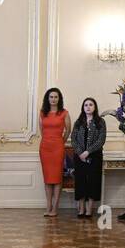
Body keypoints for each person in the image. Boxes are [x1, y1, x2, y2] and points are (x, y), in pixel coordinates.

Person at [71, 97, 105, 219]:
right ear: (83, 107)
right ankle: (81, 209)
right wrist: (80, 153)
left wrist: (88, 152)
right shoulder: (78, 122)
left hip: (95, 157)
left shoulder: (100, 122)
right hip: (79, 157)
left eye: (91, 105)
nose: (88, 107)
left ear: (94, 107)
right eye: (86, 105)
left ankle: (89, 210)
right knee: (80, 182)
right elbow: (73, 140)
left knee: (92, 182)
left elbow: (101, 140)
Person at [38, 87, 70, 217]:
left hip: (58, 147)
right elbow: (42, 130)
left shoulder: (64, 113)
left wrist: (61, 141)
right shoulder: (42, 113)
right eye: (51, 97)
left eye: (56, 97)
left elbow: (68, 130)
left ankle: (55, 208)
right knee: (47, 179)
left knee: (56, 178)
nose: (53, 99)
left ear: (59, 99)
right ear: (47, 99)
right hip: (45, 147)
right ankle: (48, 206)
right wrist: (47, 140)